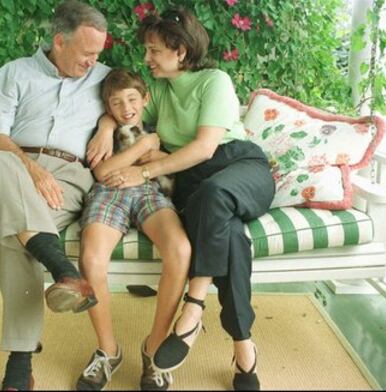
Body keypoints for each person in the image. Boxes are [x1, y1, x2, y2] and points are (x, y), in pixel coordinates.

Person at [97, 7, 275, 391]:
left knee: (214, 194)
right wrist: (105, 124)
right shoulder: (158, 90)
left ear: (180, 51)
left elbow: (206, 148)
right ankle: (244, 347)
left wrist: (147, 169)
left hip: (240, 166)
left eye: (154, 50)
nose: (146, 59)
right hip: (197, 184)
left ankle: (193, 307)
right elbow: (128, 111)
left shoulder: (215, 81)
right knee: (229, 236)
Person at [0, 1, 114, 390]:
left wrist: (106, 123)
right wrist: (29, 168)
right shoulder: (14, 74)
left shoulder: (104, 78)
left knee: (15, 239)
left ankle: (19, 365)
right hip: (8, 171)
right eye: (86, 53)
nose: (92, 62)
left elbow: (135, 105)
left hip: (67, 179)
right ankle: (63, 270)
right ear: (59, 41)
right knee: (0, 162)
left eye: (97, 54)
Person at [76, 69, 191, 391]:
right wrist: (143, 147)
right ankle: (108, 351)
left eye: (131, 99)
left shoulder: (163, 128)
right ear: (107, 108)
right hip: (109, 193)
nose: (126, 108)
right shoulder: (105, 134)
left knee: (180, 249)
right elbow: (103, 172)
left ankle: (154, 350)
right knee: (92, 259)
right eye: (116, 103)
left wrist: (153, 151)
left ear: (145, 99)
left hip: (151, 195)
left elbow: (176, 163)